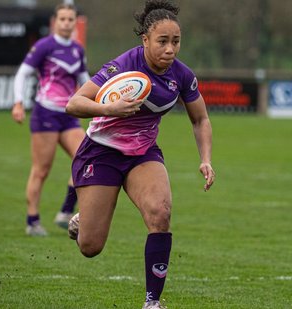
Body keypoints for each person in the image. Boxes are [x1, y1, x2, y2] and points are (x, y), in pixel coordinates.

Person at [65, 1, 215, 308]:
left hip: (143, 153)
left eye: (175, 41)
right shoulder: (122, 66)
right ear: (145, 40)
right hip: (101, 153)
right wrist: (108, 108)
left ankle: (152, 302)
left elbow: (200, 119)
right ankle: (84, 220)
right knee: (90, 247)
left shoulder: (182, 76)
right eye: (162, 41)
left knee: (161, 214)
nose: (170, 49)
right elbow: (74, 103)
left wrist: (206, 158)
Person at [11, 3, 89, 237]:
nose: (66, 23)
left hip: (69, 115)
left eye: (70, 19)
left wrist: (104, 103)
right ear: (55, 22)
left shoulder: (77, 49)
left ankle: (66, 211)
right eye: (62, 19)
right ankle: (32, 220)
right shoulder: (44, 46)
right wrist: (18, 102)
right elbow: (23, 73)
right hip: (45, 113)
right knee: (41, 170)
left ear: (75, 22)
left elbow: (86, 81)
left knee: (87, 156)